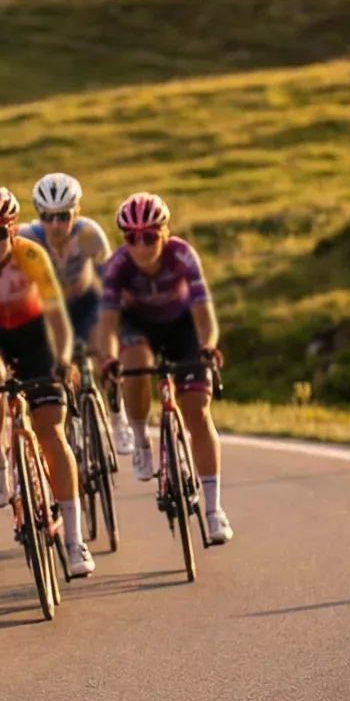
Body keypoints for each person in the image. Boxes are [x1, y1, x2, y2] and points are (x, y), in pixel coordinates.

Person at [0, 186, 93, 579]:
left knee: (51, 433)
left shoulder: (31, 255)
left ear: (12, 230)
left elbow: (59, 320)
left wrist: (62, 361)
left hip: (33, 335)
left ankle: (75, 539)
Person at [94, 192, 232, 544]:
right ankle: (141, 440)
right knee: (135, 364)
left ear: (164, 233)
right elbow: (107, 324)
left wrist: (208, 346)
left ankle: (215, 510)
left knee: (198, 413)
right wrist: (108, 359)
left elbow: (204, 313)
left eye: (150, 236)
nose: (141, 246)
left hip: (181, 324)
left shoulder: (182, 254)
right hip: (137, 326)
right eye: (132, 238)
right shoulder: (117, 265)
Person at [22, 173, 112, 364]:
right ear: (38, 214)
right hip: (48, 311)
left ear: (76, 212)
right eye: (47, 216)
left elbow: (110, 278)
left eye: (63, 216)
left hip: (85, 303)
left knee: (103, 358)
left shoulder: (89, 234)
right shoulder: (28, 238)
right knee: (57, 368)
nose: (55, 225)